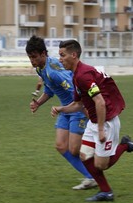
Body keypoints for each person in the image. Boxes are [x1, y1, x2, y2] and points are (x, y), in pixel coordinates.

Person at [51, 39, 133, 201]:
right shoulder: (76, 76)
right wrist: (61, 109)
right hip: (94, 122)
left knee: (101, 165)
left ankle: (125, 145)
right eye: (59, 55)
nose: (60, 59)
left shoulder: (83, 75)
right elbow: (78, 104)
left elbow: (99, 102)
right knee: (84, 156)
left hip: (106, 123)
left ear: (73, 55)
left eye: (62, 55)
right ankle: (106, 192)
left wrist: (100, 129)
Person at [26, 35, 97, 190]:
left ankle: (97, 162)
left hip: (75, 108)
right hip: (65, 109)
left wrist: (85, 111)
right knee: (60, 145)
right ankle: (91, 177)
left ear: (43, 54)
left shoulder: (54, 71)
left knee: (74, 149)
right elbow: (50, 90)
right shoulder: (41, 68)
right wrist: (38, 103)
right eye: (30, 57)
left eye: (34, 57)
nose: (32, 61)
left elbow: (74, 90)